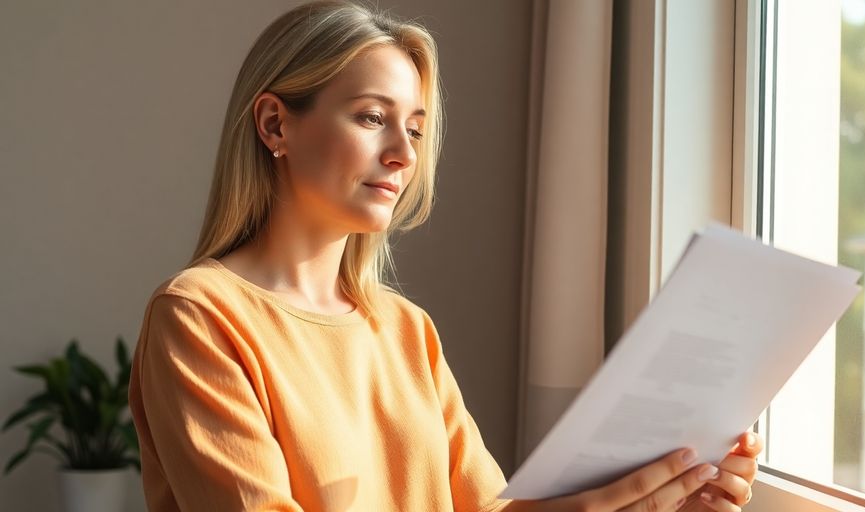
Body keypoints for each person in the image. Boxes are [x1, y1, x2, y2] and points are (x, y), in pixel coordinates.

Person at [127, 2, 763, 511]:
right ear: (275, 125)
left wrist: (657, 497)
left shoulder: (406, 330)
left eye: (415, 129)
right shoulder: (198, 317)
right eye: (372, 117)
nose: (404, 155)